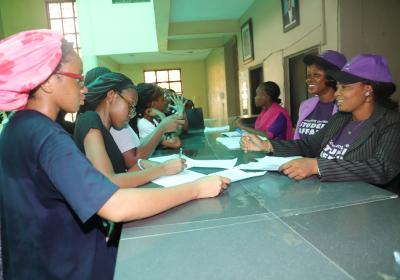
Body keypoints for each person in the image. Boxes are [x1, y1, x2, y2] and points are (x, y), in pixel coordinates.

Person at [0, 29, 230, 279]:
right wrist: (196, 189)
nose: (84, 89)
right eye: (77, 79)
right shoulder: (47, 136)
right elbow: (115, 206)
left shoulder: (16, 128)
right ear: (47, 81)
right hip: (74, 267)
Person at [241, 54, 400, 191]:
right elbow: (309, 145)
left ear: (368, 89)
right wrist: (266, 145)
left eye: (344, 87)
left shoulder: (391, 123)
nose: (337, 93)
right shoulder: (340, 118)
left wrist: (316, 166)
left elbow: (382, 168)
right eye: (337, 87)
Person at [295, 50, 347, 140]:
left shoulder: (346, 108)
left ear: (332, 77)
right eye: (308, 75)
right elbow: (297, 140)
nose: (309, 80)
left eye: (316, 75)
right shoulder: (305, 105)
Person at [136, 83, 182, 149]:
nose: (166, 101)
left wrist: (180, 113)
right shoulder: (144, 124)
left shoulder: (154, 120)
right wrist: (163, 118)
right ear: (153, 104)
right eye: (163, 99)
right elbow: (176, 143)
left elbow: (177, 132)